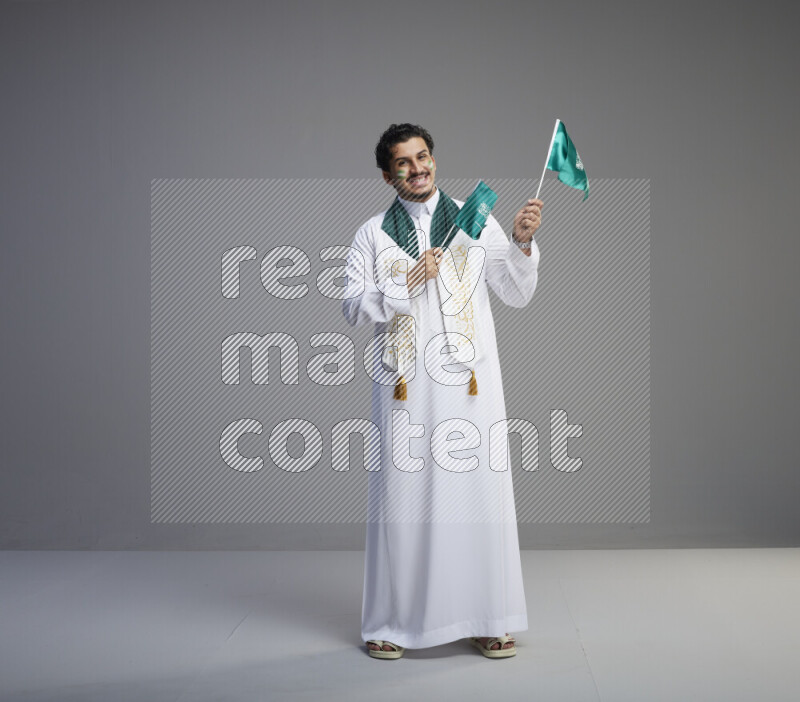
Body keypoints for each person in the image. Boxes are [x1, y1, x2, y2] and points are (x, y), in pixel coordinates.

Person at [341, 123, 543, 659]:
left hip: (470, 384)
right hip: (405, 387)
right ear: (387, 174)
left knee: (477, 497)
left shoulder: (472, 218)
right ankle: (392, 621)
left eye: (423, 156)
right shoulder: (373, 235)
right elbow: (351, 307)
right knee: (402, 500)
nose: (417, 168)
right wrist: (404, 282)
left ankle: (487, 617)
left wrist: (521, 241)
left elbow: (514, 290)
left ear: (434, 159)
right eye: (403, 162)